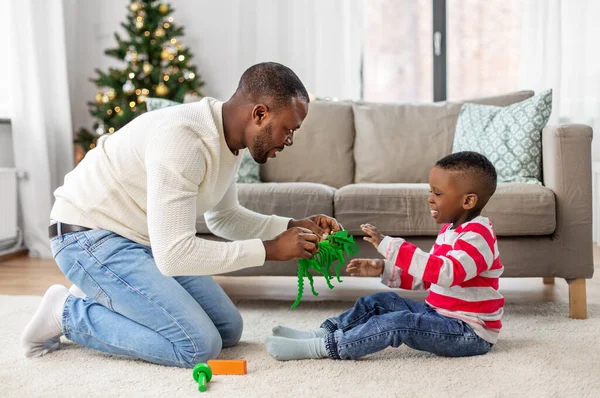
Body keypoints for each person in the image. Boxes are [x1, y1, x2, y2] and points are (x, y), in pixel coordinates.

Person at [21, 62, 342, 368]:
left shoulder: (228, 140)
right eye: (288, 129)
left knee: (228, 329)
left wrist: (290, 227)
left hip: (137, 238)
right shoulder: (186, 141)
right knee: (196, 345)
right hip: (86, 237)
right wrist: (271, 250)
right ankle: (66, 312)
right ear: (259, 114)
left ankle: (106, 290)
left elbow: (225, 218)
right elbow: (173, 255)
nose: (289, 141)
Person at [266, 151, 504, 360]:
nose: (430, 198)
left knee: (398, 323)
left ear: (468, 200)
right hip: (439, 314)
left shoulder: (478, 236)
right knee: (380, 302)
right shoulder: (450, 230)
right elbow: (428, 277)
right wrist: (383, 269)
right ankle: (321, 333)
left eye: (438, 193)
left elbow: (446, 273)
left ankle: (322, 347)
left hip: (468, 331)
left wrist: (391, 246)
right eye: (430, 191)